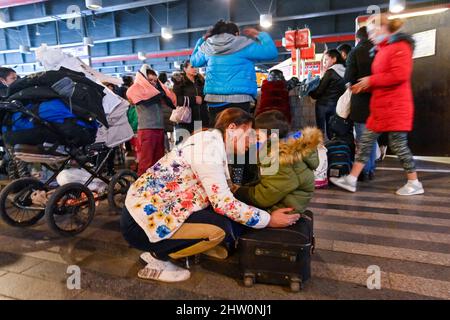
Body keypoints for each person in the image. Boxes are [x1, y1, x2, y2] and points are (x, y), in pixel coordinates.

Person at [121, 108, 300, 282]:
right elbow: (223, 203)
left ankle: (179, 245)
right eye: (249, 134)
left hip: (147, 211)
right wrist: (269, 220)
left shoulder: (209, 139)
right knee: (218, 229)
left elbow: (224, 190)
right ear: (232, 128)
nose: (253, 142)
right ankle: (158, 257)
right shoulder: (208, 150)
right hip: (141, 225)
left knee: (224, 219)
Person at [330, 15, 424, 196]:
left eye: (374, 31)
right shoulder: (383, 49)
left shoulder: (400, 47)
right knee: (365, 143)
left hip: (395, 106)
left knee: (398, 145)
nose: (370, 35)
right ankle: (351, 179)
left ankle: (414, 182)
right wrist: (366, 84)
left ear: (386, 28)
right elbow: (384, 77)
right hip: (382, 106)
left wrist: (370, 80)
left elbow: (399, 75)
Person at [190, 20, 278, 127]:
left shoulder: (208, 45)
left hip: (214, 99)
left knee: (218, 133)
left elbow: (194, 61)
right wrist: (259, 34)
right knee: (240, 134)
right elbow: (271, 52)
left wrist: (202, 40)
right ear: (236, 34)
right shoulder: (244, 44)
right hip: (240, 99)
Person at [235, 111, 322, 214]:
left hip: (282, 209)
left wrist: (240, 192)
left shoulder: (281, 160)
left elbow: (266, 195)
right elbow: (269, 182)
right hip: (282, 201)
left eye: (258, 137)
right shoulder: (277, 152)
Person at [126, 65, 177, 176]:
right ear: (144, 79)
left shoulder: (157, 92)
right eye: (150, 80)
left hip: (159, 130)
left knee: (159, 162)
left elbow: (171, 104)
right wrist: (160, 93)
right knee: (146, 163)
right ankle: (140, 190)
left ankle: (154, 188)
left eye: (155, 80)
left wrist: (161, 91)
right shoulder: (138, 91)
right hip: (146, 130)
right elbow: (146, 100)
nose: (153, 82)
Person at [345, 26, 376, 181]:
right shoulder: (380, 50)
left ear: (357, 38)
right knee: (372, 137)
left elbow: (348, 77)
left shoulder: (355, 52)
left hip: (361, 101)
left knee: (363, 138)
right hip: (378, 100)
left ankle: (364, 170)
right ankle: (370, 169)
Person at [309, 49, 346, 140]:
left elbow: (319, 91)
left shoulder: (330, 72)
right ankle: (332, 149)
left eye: (326, 60)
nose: (324, 62)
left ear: (334, 59)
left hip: (323, 106)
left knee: (320, 132)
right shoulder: (345, 71)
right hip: (335, 106)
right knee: (331, 131)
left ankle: (322, 151)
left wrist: (310, 91)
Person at [172, 60, 207, 137]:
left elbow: (206, 96)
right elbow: (176, 100)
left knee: (199, 144)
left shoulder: (201, 81)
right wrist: (194, 100)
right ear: (185, 69)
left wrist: (203, 99)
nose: (195, 69)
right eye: (192, 67)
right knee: (183, 145)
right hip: (184, 120)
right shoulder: (179, 82)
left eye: (196, 67)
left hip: (200, 119)